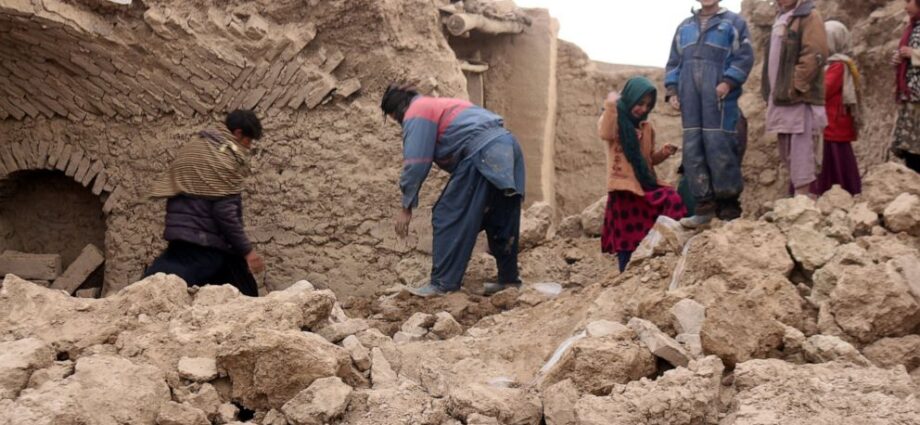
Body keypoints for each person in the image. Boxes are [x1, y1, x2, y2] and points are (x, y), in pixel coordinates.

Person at [380, 85, 525, 297]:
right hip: (507, 147)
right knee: (499, 216)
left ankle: (443, 284)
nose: (401, 125)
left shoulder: (417, 111)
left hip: (482, 151)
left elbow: (417, 162)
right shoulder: (437, 105)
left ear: (397, 111)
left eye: (396, 121)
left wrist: (406, 207)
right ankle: (509, 280)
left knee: (447, 214)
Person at [144, 110, 266, 296]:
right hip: (206, 241)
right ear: (238, 133)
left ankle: (142, 293)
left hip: (180, 233)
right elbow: (225, 213)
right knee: (172, 281)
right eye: (248, 141)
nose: (248, 148)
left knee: (237, 284)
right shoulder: (223, 160)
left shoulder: (196, 147)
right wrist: (247, 251)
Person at [665, 0, 754, 228]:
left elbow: (744, 57)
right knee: (693, 150)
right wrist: (673, 91)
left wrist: (728, 82)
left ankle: (728, 209)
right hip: (690, 101)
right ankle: (704, 207)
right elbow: (674, 62)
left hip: (720, 100)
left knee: (720, 148)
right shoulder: (685, 27)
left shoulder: (734, 23)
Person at [598, 77, 686, 272]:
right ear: (629, 98)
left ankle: (660, 256)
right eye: (640, 103)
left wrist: (663, 153)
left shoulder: (646, 127)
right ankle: (624, 276)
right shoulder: (615, 121)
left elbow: (647, 160)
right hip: (624, 190)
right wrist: (611, 104)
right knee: (626, 238)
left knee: (672, 199)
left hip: (644, 185)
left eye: (648, 105)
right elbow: (605, 133)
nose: (643, 109)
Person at [762, 0, 829, 198]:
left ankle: (803, 197)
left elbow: (815, 54)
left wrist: (795, 85)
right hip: (782, 98)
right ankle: (799, 198)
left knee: (802, 148)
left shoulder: (809, 16)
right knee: (787, 149)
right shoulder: (781, 18)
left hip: (800, 98)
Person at [815, 20, 862, 195]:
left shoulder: (839, 66)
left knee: (832, 161)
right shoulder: (830, 64)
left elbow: (823, 90)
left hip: (833, 123)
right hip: (829, 122)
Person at [892, 0, 920, 174]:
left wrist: (914, 54)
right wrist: (898, 58)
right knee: (910, 148)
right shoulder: (912, 27)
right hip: (910, 96)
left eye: (910, 1)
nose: (906, 6)